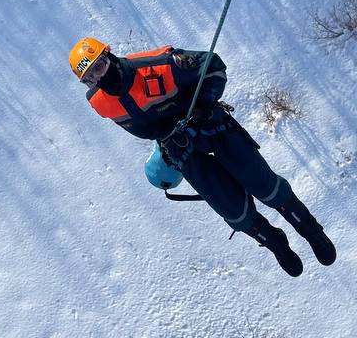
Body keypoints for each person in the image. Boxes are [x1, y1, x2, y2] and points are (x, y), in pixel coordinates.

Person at [69, 37, 336, 276]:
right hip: (181, 146)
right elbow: (139, 128)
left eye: (100, 67)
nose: (99, 79)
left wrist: (203, 104)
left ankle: (311, 231)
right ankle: (276, 243)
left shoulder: (159, 65)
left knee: (265, 186)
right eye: (90, 78)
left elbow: (213, 65)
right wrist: (168, 133)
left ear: (110, 55)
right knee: (234, 211)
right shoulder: (100, 103)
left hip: (210, 124)